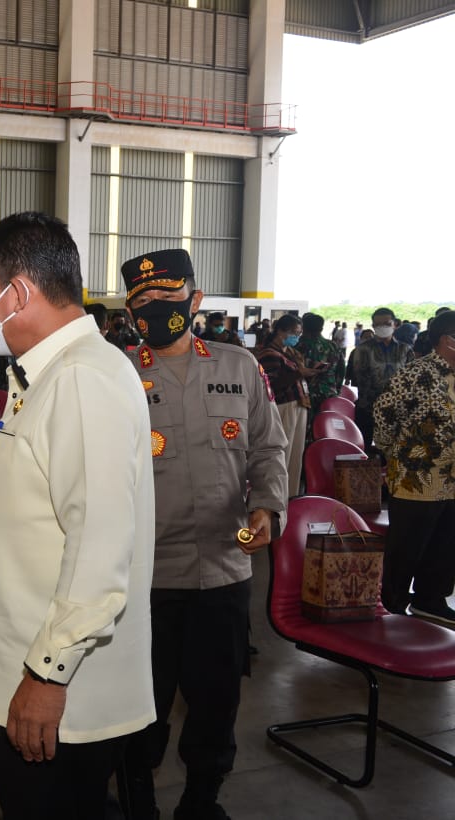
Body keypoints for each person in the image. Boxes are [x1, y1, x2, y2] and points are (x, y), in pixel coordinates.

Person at [0, 212, 156, 819]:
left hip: (54, 689)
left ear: (17, 294)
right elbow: (21, 484)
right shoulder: (46, 374)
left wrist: (47, 676)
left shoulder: (82, 380)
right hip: (22, 660)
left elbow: (100, 547)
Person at [118, 248, 288, 820]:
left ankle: (201, 801)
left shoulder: (239, 366)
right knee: (141, 703)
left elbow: (269, 447)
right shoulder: (117, 374)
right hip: (145, 578)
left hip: (224, 569)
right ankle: (138, 800)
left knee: (216, 702)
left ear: (194, 299)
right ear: (129, 311)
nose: (154, 307)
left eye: (167, 296)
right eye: (142, 300)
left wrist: (267, 506)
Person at [372, 308, 455, 624]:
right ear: (448, 340)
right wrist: (395, 454)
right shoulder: (416, 373)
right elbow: (383, 415)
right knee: (407, 546)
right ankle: (391, 604)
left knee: (445, 545)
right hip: (416, 479)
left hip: (451, 480)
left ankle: (430, 600)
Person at [255, 314, 325, 499]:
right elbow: (271, 384)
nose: (297, 337)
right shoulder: (268, 354)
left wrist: (310, 372)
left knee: (295, 455)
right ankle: (275, 497)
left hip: (298, 404)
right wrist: (299, 374)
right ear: (280, 331)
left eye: (299, 333)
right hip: (283, 406)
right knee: (282, 454)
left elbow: (297, 374)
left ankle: (290, 496)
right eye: (294, 332)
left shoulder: (291, 353)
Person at [349, 307, 413, 450]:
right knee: (363, 448)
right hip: (368, 408)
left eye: (387, 323)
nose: (382, 327)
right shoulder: (362, 350)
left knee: (395, 450)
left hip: (398, 410)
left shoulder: (405, 349)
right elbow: (361, 379)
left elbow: (410, 378)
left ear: (395, 324)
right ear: (373, 326)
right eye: (378, 324)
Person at [295, 312, 346, 429]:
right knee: (326, 428)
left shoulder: (297, 346)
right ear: (321, 328)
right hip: (328, 393)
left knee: (304, 429)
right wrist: (336, 389)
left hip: (303, 396)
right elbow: (341, 371)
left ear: (303, 327)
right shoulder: (333, 346)